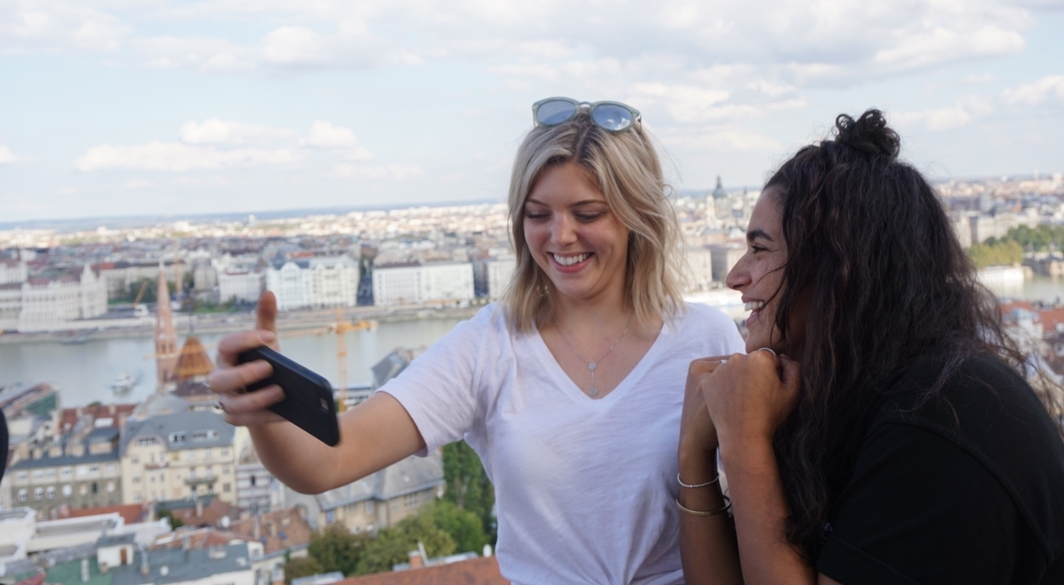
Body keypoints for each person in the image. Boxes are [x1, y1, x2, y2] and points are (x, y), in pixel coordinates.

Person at [211, 97, 744, 584]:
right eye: (537, 214)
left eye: (587, 214)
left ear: (637, 215)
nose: (560, 236)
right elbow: (327, 463)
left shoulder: (706, 339)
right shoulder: (489, 346)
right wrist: (269, 409)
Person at [677, 110, 1064, 584]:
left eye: (759, 250)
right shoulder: (839, 395)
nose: (734, 277)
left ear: (838, 269)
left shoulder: (942, 414)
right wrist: (694, 455)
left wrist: (744, 443)